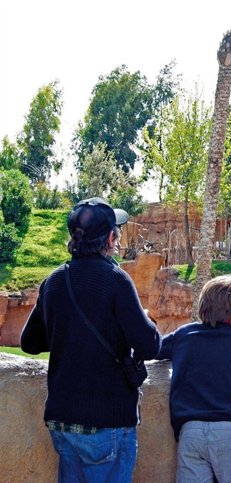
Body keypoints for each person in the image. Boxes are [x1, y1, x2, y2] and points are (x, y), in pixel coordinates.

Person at [20, 197, 161, 482]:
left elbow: (30, 342)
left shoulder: (54, 280)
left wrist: (69, 332)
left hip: (62, 421)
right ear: (111, 237)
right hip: (105, 422)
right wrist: (144, 318)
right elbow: (150, 345)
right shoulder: (116, 280)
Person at [156, 275, 231, 483]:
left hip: (190, 430)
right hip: (227, 430)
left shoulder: (184, 334)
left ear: (203, 304)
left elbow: (156, 349)